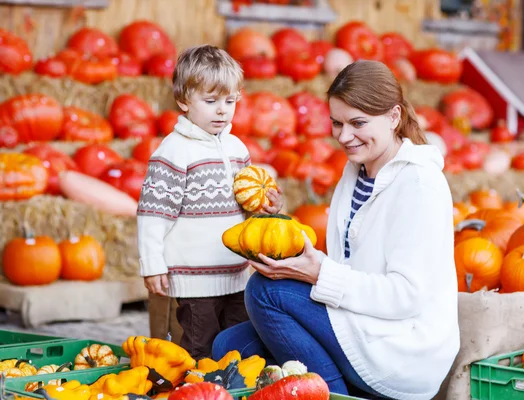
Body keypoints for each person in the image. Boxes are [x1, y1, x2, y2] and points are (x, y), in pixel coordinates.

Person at [212, 60, 459, 400]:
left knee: (264, 292)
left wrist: (319, 275)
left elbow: (406, 296)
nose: (344, 136)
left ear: (393, 117)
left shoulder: (419, 184)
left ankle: (337, 395)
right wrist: (279, 222)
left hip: (401, 345)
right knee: (229, 346)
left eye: (358, 123)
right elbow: (349, 260)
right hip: (362, 320)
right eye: (337, 123)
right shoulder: (357, 170)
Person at [136, 45, 283, 359]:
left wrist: (266, 208)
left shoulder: (237, 148)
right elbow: (153, 214)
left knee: (236, 351)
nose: (222, 110)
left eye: (230, 101)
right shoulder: (173, 152)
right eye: (211, 101)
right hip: (194, 281)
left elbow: (246, 201)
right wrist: (152, 264)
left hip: (237, 274)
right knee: (196, 350)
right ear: (183, 101)